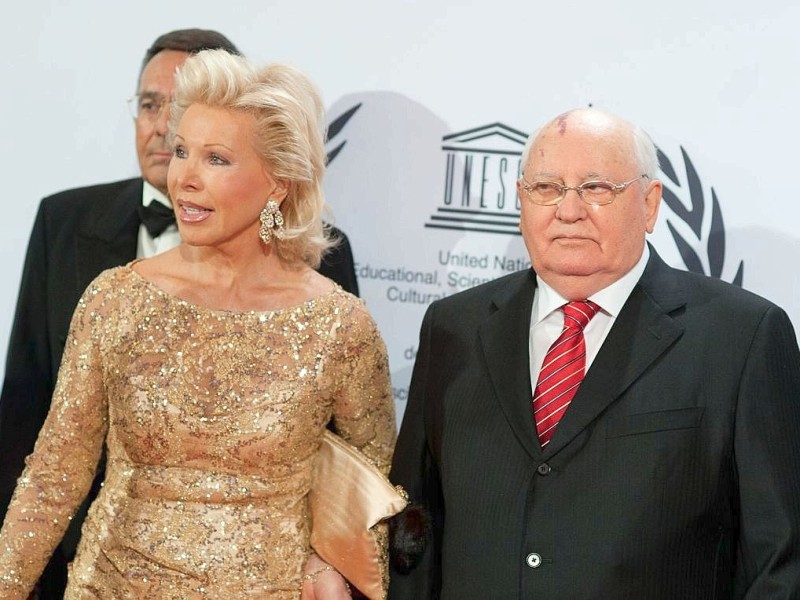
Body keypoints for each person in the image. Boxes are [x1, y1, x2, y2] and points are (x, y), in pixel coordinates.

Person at [0, 48, 395, 599]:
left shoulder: (339, 325)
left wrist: (322, 564)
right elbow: (51, 480)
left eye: (216, 159)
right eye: (182, 150)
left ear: (278, 181)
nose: (183, 175)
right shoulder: (115, 299)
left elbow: (373, 486)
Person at [388, 107, 800, 598]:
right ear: (521, 200)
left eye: (596, 188)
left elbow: (779, 560)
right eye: (546, 188)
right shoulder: (453, 326)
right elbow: (415, 528)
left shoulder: (742, 336)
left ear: (649, 205)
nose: (568, 210)